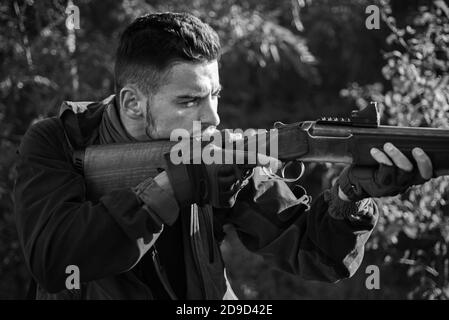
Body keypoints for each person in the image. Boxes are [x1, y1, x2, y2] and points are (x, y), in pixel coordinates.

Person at [14, 12, 434, 300]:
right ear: (133, 103)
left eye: (215, 95)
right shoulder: (60, 144)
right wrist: (171, 188)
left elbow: (314, 255)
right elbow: (53, 260)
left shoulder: (220, 153)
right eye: (190, 100)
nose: (212, 116)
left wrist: (350, 196)